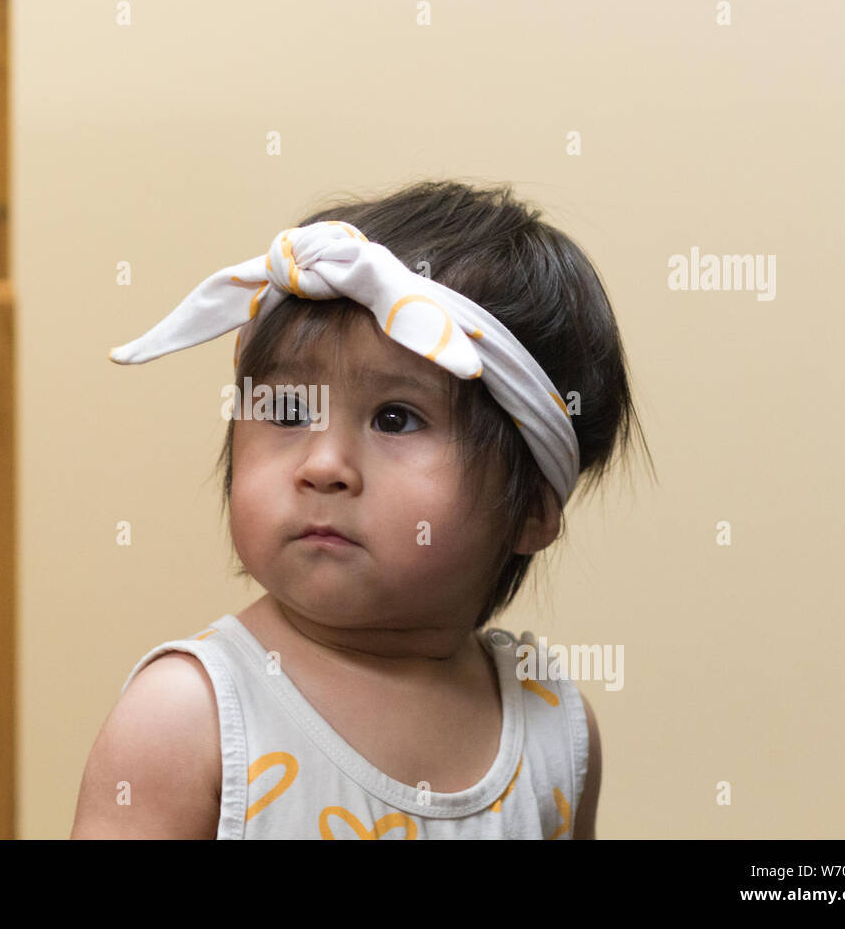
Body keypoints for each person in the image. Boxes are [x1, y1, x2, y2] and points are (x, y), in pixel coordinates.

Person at [72, 180, 653, 839]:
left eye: (396, 419)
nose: (323, 466)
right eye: (289, 410)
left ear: (532, 511)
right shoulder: (188, 719)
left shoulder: (555, 735)